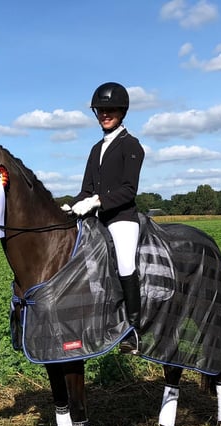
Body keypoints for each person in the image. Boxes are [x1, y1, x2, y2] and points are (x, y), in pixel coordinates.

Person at [61, 82, 144, 354]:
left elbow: (128, 190)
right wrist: (68, 206)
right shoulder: (96, 149)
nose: (104, 114)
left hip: (122, 218)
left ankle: (133, 330)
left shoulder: (131, 146)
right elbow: (85, 190)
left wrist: (97, 201)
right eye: (100, 110)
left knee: (124, 264)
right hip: (98, 220)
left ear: (122, 111)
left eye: (110, 110)